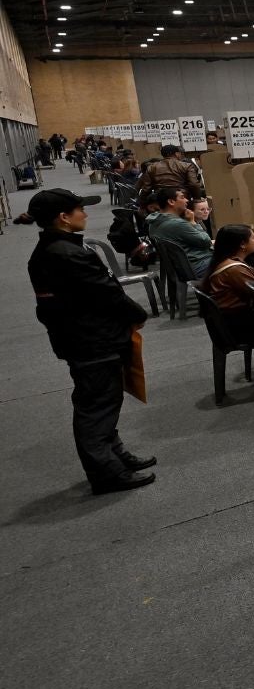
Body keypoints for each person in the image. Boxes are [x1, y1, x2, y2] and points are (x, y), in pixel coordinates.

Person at [26, 189, 156, 495]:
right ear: (63, 217)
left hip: (87, 337)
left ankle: (115, 455)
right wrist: (137, 314)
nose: (85, 214)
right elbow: (105, 294)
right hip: (91, 340)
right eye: (79, 210)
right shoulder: (65, 254)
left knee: (106, 400)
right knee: (97, 405)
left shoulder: (57, 249)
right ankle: (106, 472)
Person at [199, 223, 254, 343]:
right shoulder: (233, 269)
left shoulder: (225, 262)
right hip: (240, 328)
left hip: (233, 321)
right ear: (242, 244)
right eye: (253, 237)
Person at [146, 186, 213, 278]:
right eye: (182, 197)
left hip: (181, 266)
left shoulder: (155, 220)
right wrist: (192, 222)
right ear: (171, 202)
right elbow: (206, 241)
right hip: (196, 265)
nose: (186, 200)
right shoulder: (177, 224)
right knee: (234, 258)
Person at [135, 143, 205, 200]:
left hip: (161, 200)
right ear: (177, 153)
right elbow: (194, 184)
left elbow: (146, 188)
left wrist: (143, 204)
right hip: (182, 198)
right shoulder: (187, 165)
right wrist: (197, 199)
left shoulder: (152, 167)